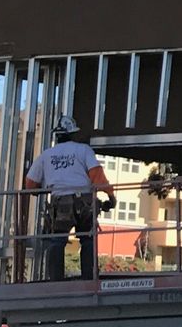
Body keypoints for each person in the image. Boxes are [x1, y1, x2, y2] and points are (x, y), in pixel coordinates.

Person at [22, 118, 114, 280]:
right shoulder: (83, 150)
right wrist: (110, 196)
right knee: (87, 239)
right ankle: (89, 277)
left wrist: (40, 189)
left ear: (57, 136)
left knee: (57, 240)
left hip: (60, 203)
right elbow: (97, 176)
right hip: (84, 201)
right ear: (73, 134)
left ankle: (56, 279)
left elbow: (30, 184)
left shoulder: (47, 155)